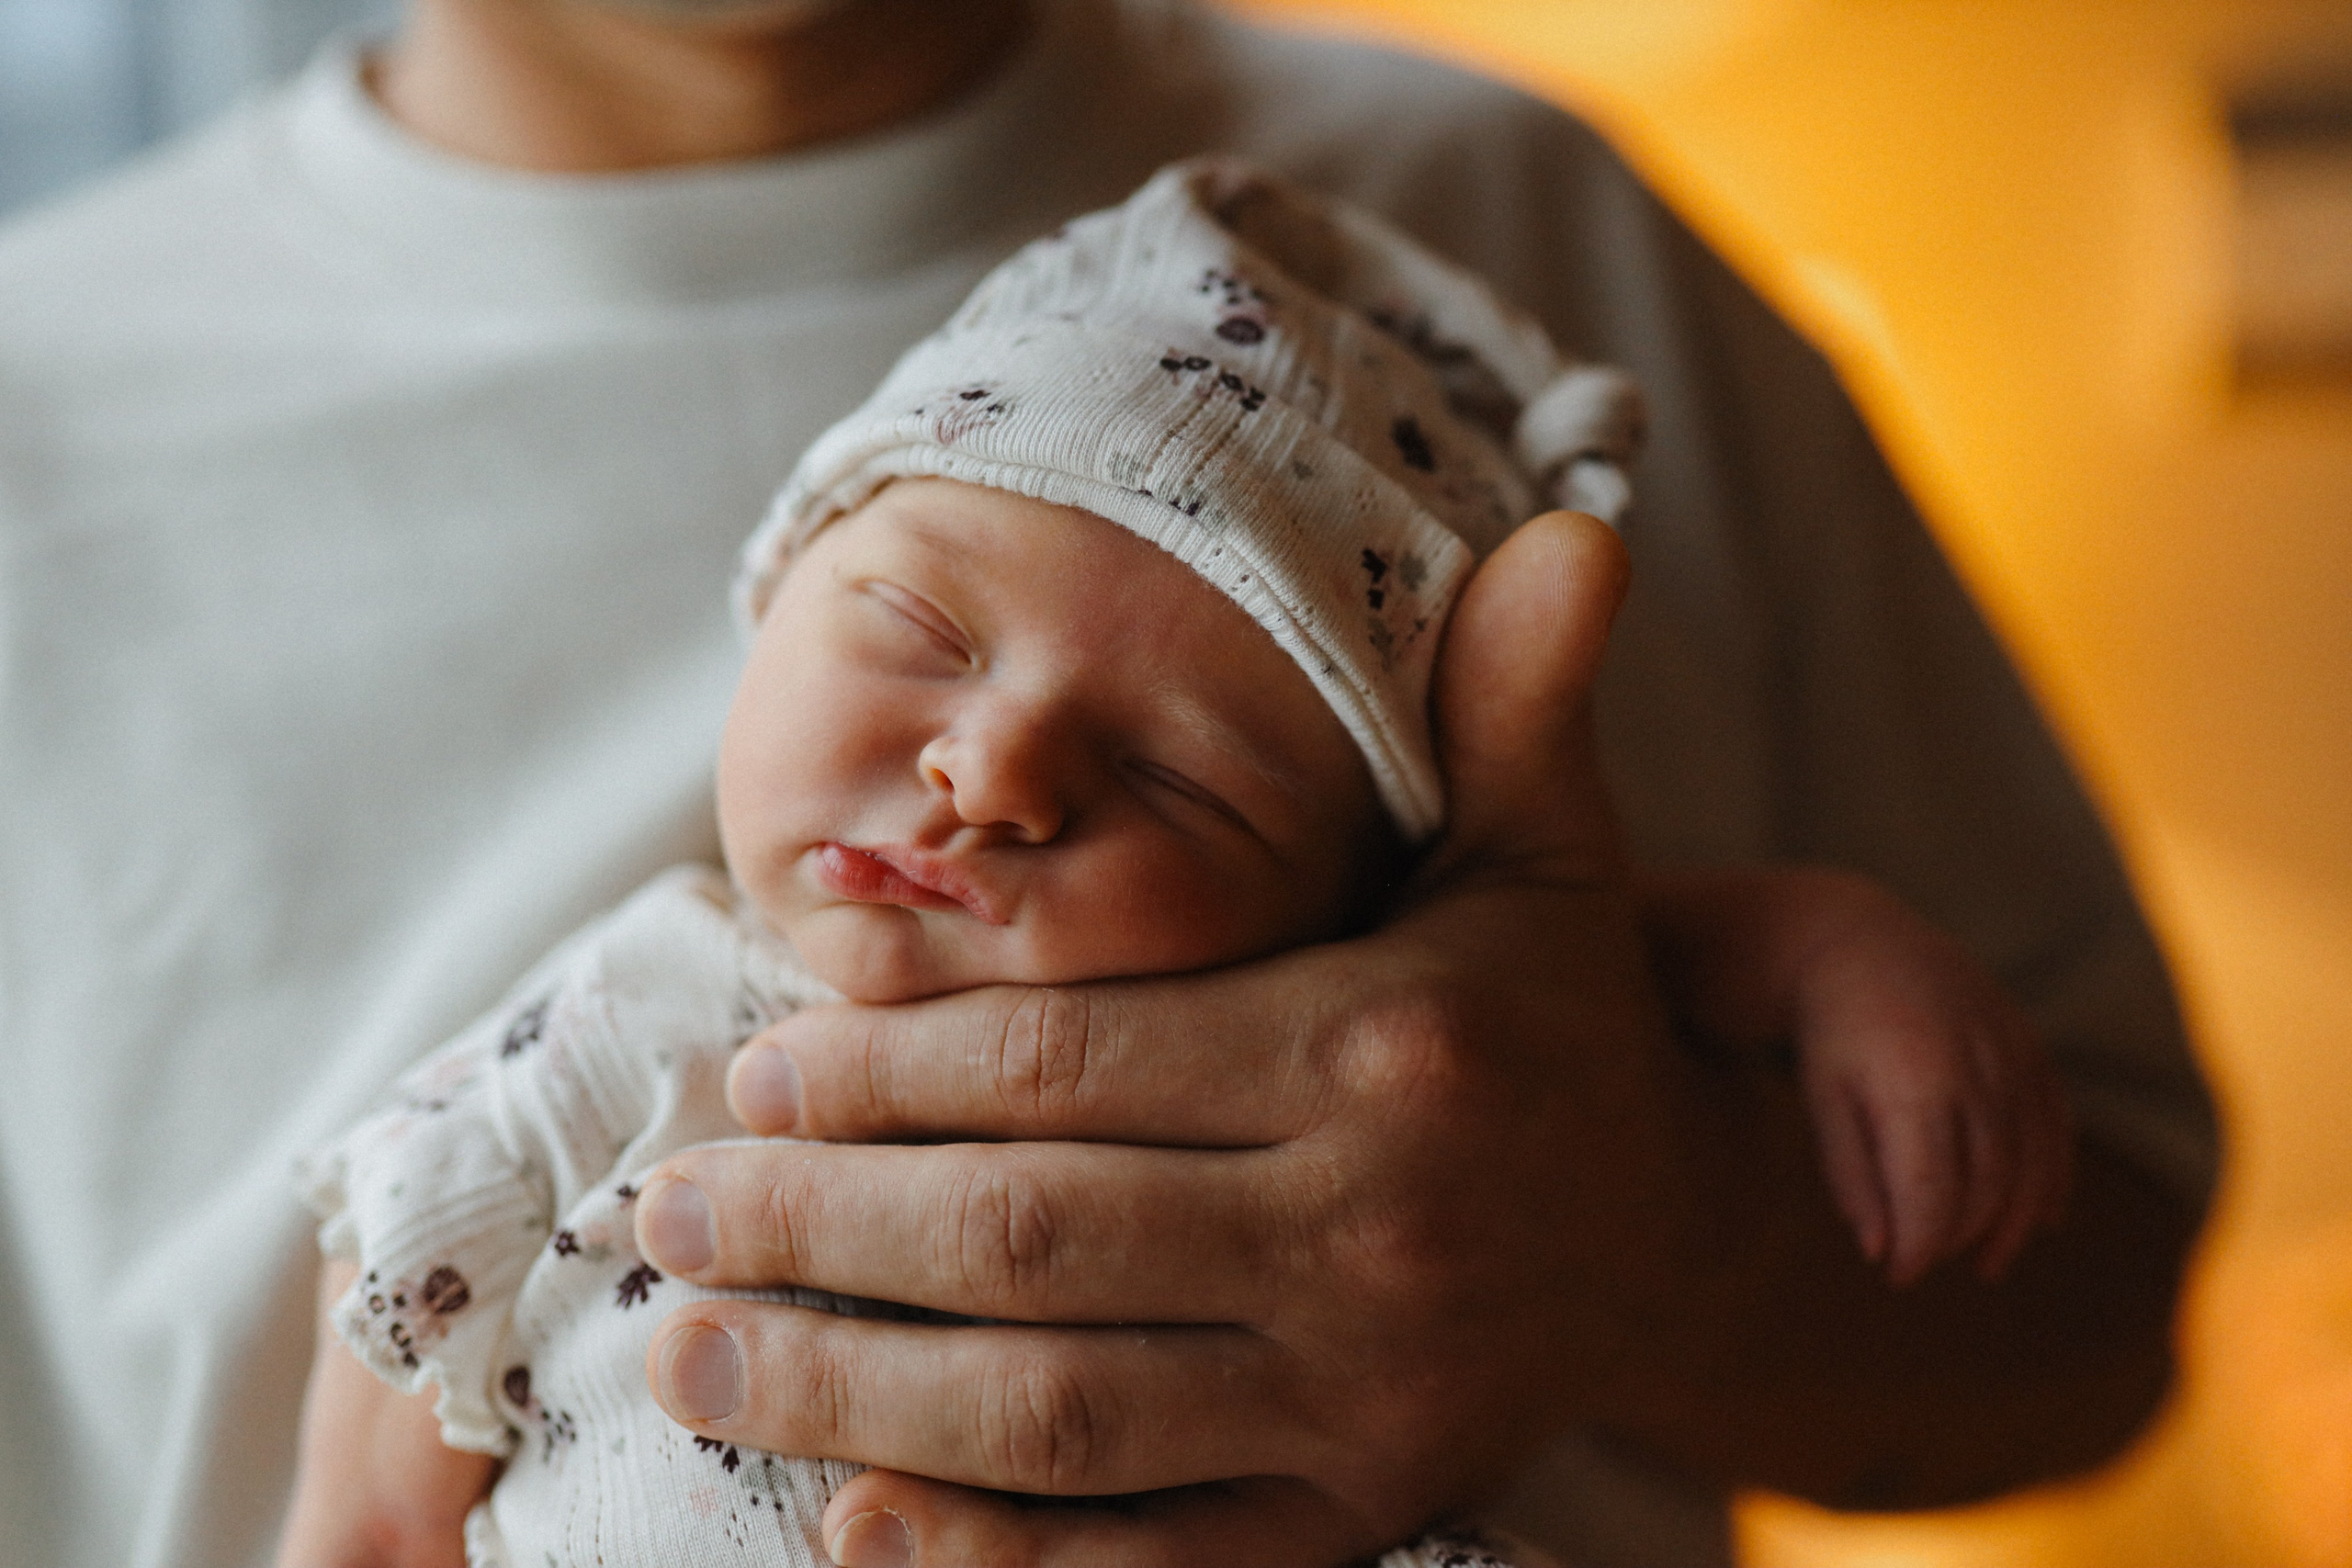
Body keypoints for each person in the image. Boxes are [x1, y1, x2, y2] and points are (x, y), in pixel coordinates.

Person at [0, 2, 2213, 1565]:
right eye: (919, 637)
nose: (989, 770)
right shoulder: (43, 419)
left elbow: (2080, 1280)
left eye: (1185, 762)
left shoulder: (1521, 252)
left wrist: (1648, 1228)